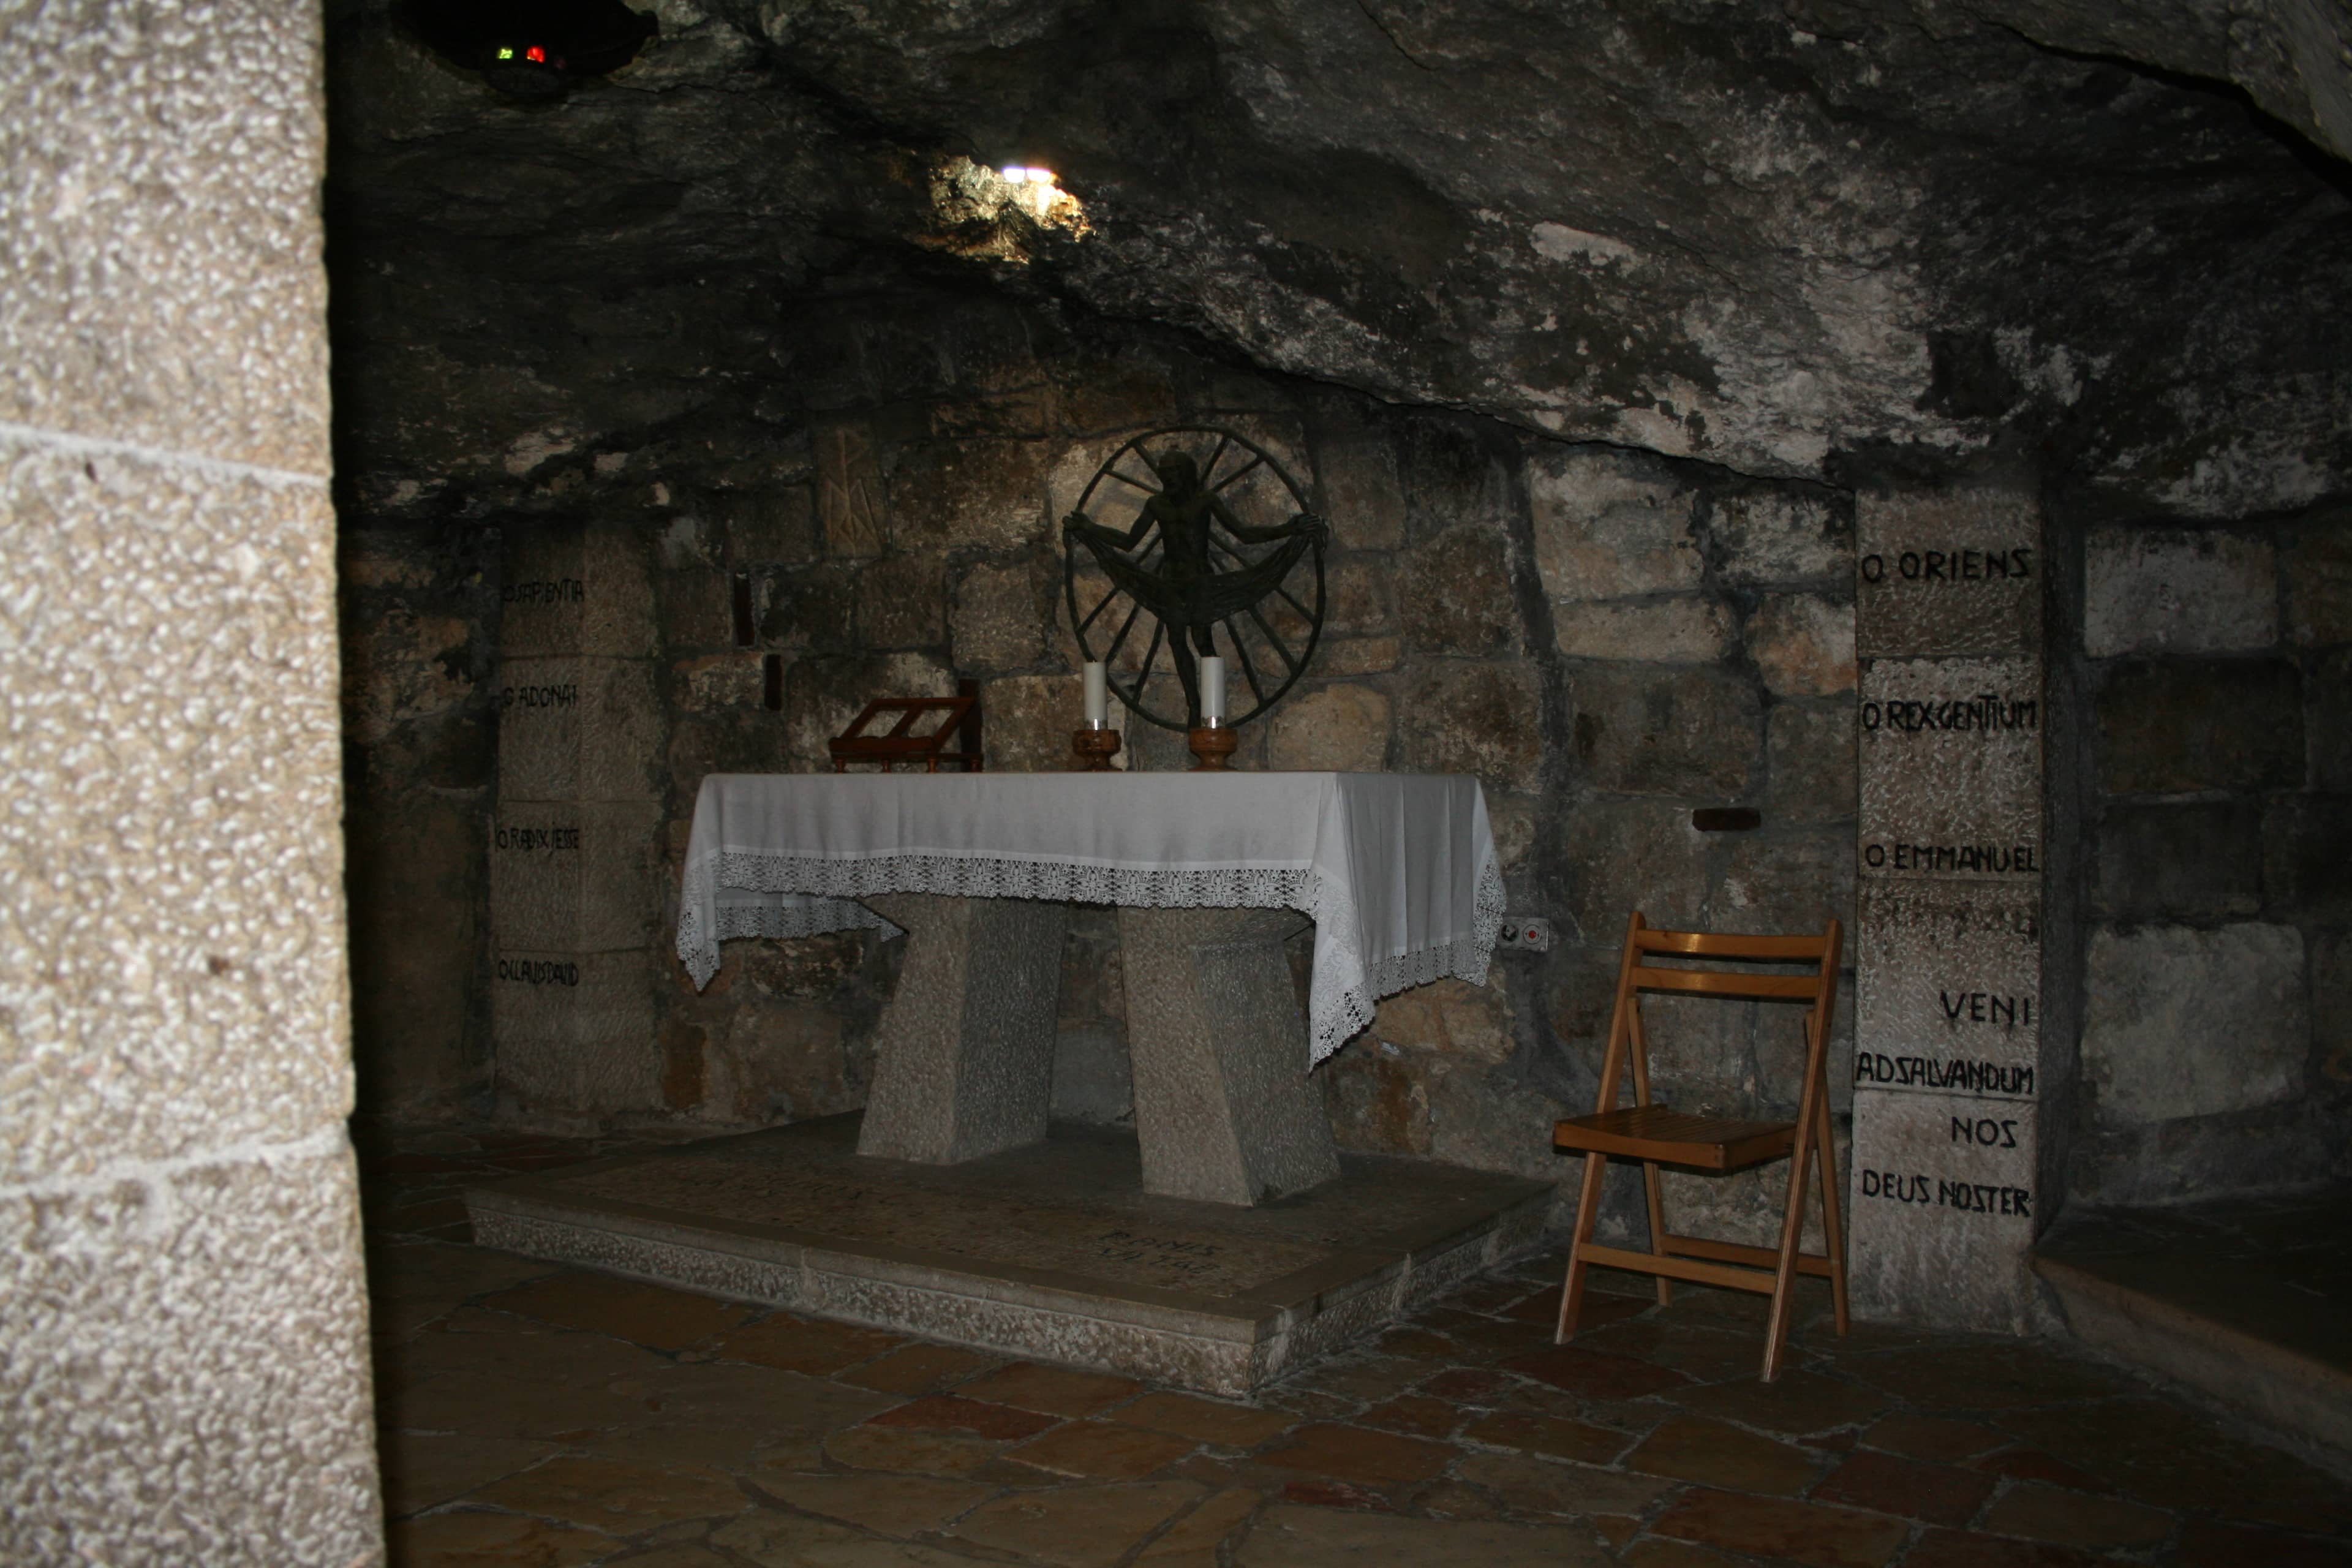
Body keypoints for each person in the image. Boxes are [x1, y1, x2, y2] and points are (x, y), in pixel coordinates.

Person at [1063, 448, 1325, 723]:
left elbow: (1244, 534)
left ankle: (1212, 710)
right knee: (1176, 640)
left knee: (1202, 640)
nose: (1169, 478)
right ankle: (1194, 705)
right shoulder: (1157, 505)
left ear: (1188, 474)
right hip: (1170, 583)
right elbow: (1129, 541)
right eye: (1164, 473)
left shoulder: (1205, 501)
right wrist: (1090, 528)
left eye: (1174, 472)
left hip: (1200, 581)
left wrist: (1289, 529)